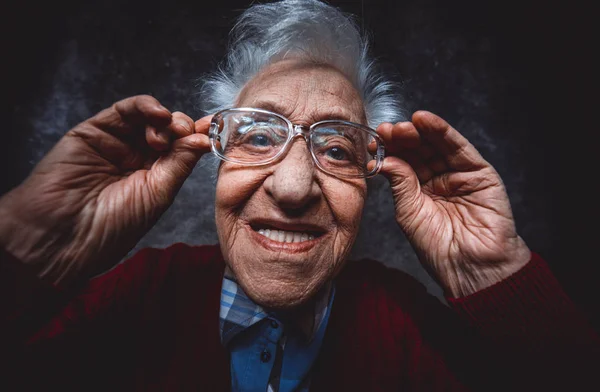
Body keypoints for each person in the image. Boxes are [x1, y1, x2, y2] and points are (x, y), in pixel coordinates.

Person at [0, 0, 597, 391]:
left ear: (373, 177)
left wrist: (494, 271)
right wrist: (25, 251)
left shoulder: (403, 323)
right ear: (214, 150)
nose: (292, 188)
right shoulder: (144, 292)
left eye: (337, 149)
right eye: (259, 136)